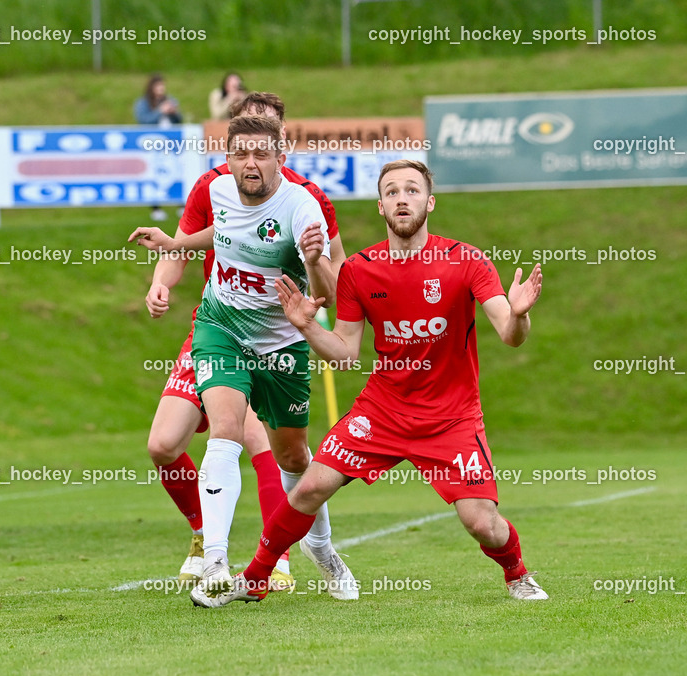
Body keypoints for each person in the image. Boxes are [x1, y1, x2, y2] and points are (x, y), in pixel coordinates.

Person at [195, 160, 548, 607]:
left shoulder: (466, 260)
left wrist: (519, 314)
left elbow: (509, 337)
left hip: (451, 418)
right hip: (382, 411)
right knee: (309, 487)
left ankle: (517, 575)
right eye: (393, 192)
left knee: (483, 523)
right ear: (381, 206)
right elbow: (344, 351)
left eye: (413, 190)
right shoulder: (360, 270)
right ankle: (256, 578)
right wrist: (307, 326)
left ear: (429, 202)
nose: (403, 198)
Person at [131, 92, 347, 592]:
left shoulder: (308, 201)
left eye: (263, 143)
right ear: (229, 149)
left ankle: (289, 554)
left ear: (281, 146)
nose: (252, 158)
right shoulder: (214, 187)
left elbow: (335, 283)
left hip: (277, 339)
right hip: (218, 328)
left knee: (286, 453)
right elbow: (198, 236)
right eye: (242, 145)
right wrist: (163, 276)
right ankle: (211, 551)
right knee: (166, 444)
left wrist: (317, 271)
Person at [134, 74, 183, 222]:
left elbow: (179, 120)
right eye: (158, 86)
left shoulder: (169, 100)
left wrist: (173, 112)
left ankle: (180, 202)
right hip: (152, 145)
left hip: (170, 144)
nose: (161, 89)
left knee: (176, 170)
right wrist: (160, 111)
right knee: (154, 172)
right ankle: (156, 208)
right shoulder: (143, 103)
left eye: (163, 86)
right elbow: (144, 120)